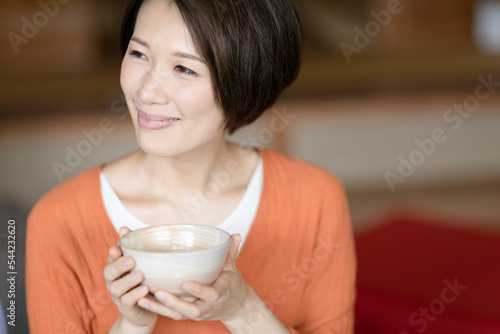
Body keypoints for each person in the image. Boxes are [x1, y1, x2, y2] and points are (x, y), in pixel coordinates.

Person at [25, 0, 357, 333]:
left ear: (245, 80)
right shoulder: (59, 221)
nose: (146, 91)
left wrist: (241, 309)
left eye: (184, 68)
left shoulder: (315, 200)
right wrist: (132, 324)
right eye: (139, 54)